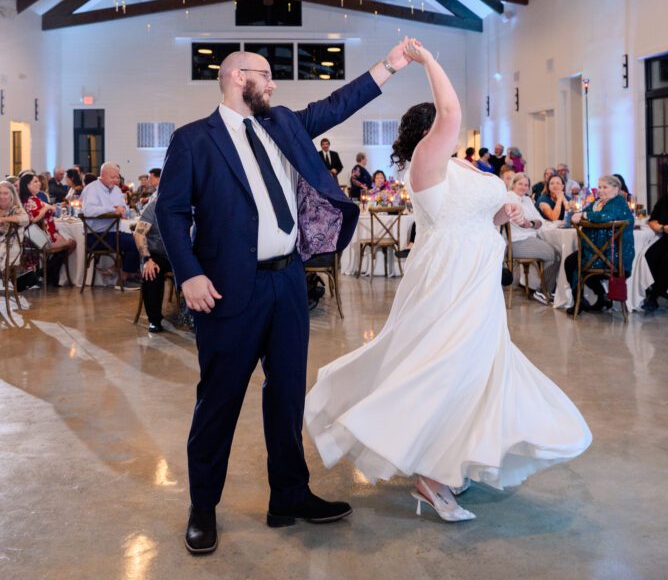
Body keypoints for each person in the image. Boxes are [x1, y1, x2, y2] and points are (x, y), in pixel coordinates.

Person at [305, 40, 591, 523]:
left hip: (479, 272)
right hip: (450, 274)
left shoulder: (460, 167)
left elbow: (477, 213)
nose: (451, 128)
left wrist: (505, 212)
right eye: (442, 124)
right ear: (430, 130)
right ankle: (432, 477)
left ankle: (448, 462)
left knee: (475, 369)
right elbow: (452, 113)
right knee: (448, 367)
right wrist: (427, 60)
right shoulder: (426, 159)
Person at [155, 40, 413, 554]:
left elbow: (338, 104)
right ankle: (203, 507)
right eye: (265, 75)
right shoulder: (193, 139)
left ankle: (289, 496)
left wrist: (389, 66)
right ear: (236, 77)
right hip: (229, 289)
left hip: (289, 281)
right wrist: (189, 274)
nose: (272, 84)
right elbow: (170, 211)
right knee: (219, 400)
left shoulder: (284, 124)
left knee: (288, 395)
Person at [565, 174, 634, 315]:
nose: (601, 190)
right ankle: (595, 297)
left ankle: (584, 300)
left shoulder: (618, 202)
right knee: (571, 261)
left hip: (614, 256)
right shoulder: (598, 203)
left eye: (605, 187)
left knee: (575, 263)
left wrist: (584, 216)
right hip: (597, 252)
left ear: (616, 189)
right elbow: (584, 212)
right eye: (600, 187)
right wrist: (582, 214)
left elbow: (605, 217)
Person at [81, 163, 140, 285]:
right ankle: (126, 277)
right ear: (102, 175)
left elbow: (124, 207)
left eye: (117, 177)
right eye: (112, 177)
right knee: (134, 242)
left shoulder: (117, 190)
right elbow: (88, 211)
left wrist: (123, 210)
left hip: (113, 233)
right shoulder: (91, 189)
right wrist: (112, 209)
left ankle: (125, 272)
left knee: (139, 238)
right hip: (96, 236)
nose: (116, 180)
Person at [507, 173, 560, 303]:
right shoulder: (509, 199)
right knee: (554, 255)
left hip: (529, 238)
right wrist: (532, 224)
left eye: (526, 185)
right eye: (520, 184)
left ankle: (547, 290)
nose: (523, 187)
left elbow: (539, 221)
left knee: (557, 252)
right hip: (516, 242)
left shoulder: (527, 200)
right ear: (513, 184)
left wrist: (532, 223)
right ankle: (543, 291)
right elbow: (522, 223)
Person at [19, 172, 77, 287]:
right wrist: (46, 208)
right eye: (35, 181)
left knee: (67, 246)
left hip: (40, 235)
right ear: (27, 185)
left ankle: (48, 275)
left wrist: (50, 207)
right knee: (72, 243)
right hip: (40, 238)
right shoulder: (30, 200)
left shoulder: (32, 199)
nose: (39, 183)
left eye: (38, 181)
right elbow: (33, 219)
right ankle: (46, 274)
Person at [132, 192, 173, 333]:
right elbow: (139, 233)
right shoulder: (154, 207)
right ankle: (154, 320)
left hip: (182, 254)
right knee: (151, 271)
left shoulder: (189, 206)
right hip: (157, 254)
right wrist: (147, 259)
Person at [643, 175, 668, 311]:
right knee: (649, 256)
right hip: (667, 238)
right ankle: (659, 289)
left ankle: (653, 297)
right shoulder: (664, 201)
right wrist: (663, 227)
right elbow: (652, 221)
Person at [0, 180, 28, 276]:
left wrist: (4, 219)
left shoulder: (16, 209)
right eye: (0, 193)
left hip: (10, 247)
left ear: (12, 195)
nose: (2, 196)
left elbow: (25, 219)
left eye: (5, 193)